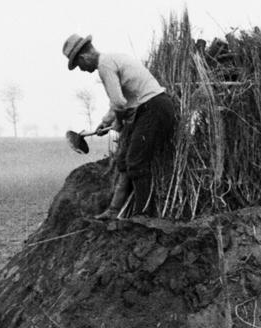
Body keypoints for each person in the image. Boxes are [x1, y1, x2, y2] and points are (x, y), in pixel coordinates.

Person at [62, 34, 179, 216]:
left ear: (84, 58)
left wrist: (117, 122)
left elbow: (119, 102)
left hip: (154, 108)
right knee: (124, 160)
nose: (82, 70)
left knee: (136, 162)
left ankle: (143, 215)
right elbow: (121, 101)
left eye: (79, 66)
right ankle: (113, 210)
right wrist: (106, 122)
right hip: (148, 108)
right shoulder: (112, 59)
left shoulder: (105, 65)